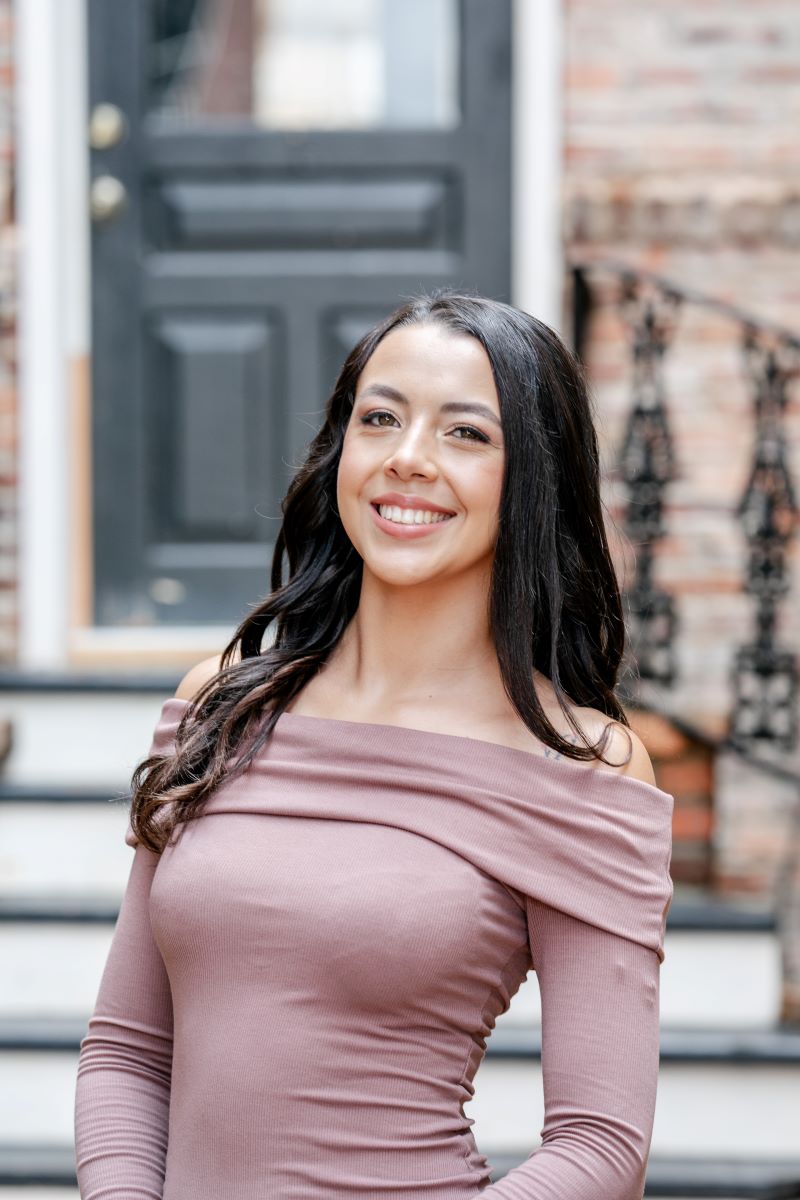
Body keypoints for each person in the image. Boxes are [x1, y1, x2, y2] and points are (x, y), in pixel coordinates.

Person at [74, 291, 674, 1199]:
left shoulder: (579, 765)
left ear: (531, 481)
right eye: (380, 418)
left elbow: (599, 1145)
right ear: (339, 449)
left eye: (466, 434)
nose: (407, 459)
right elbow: (127, 1052)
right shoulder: (224, 703)